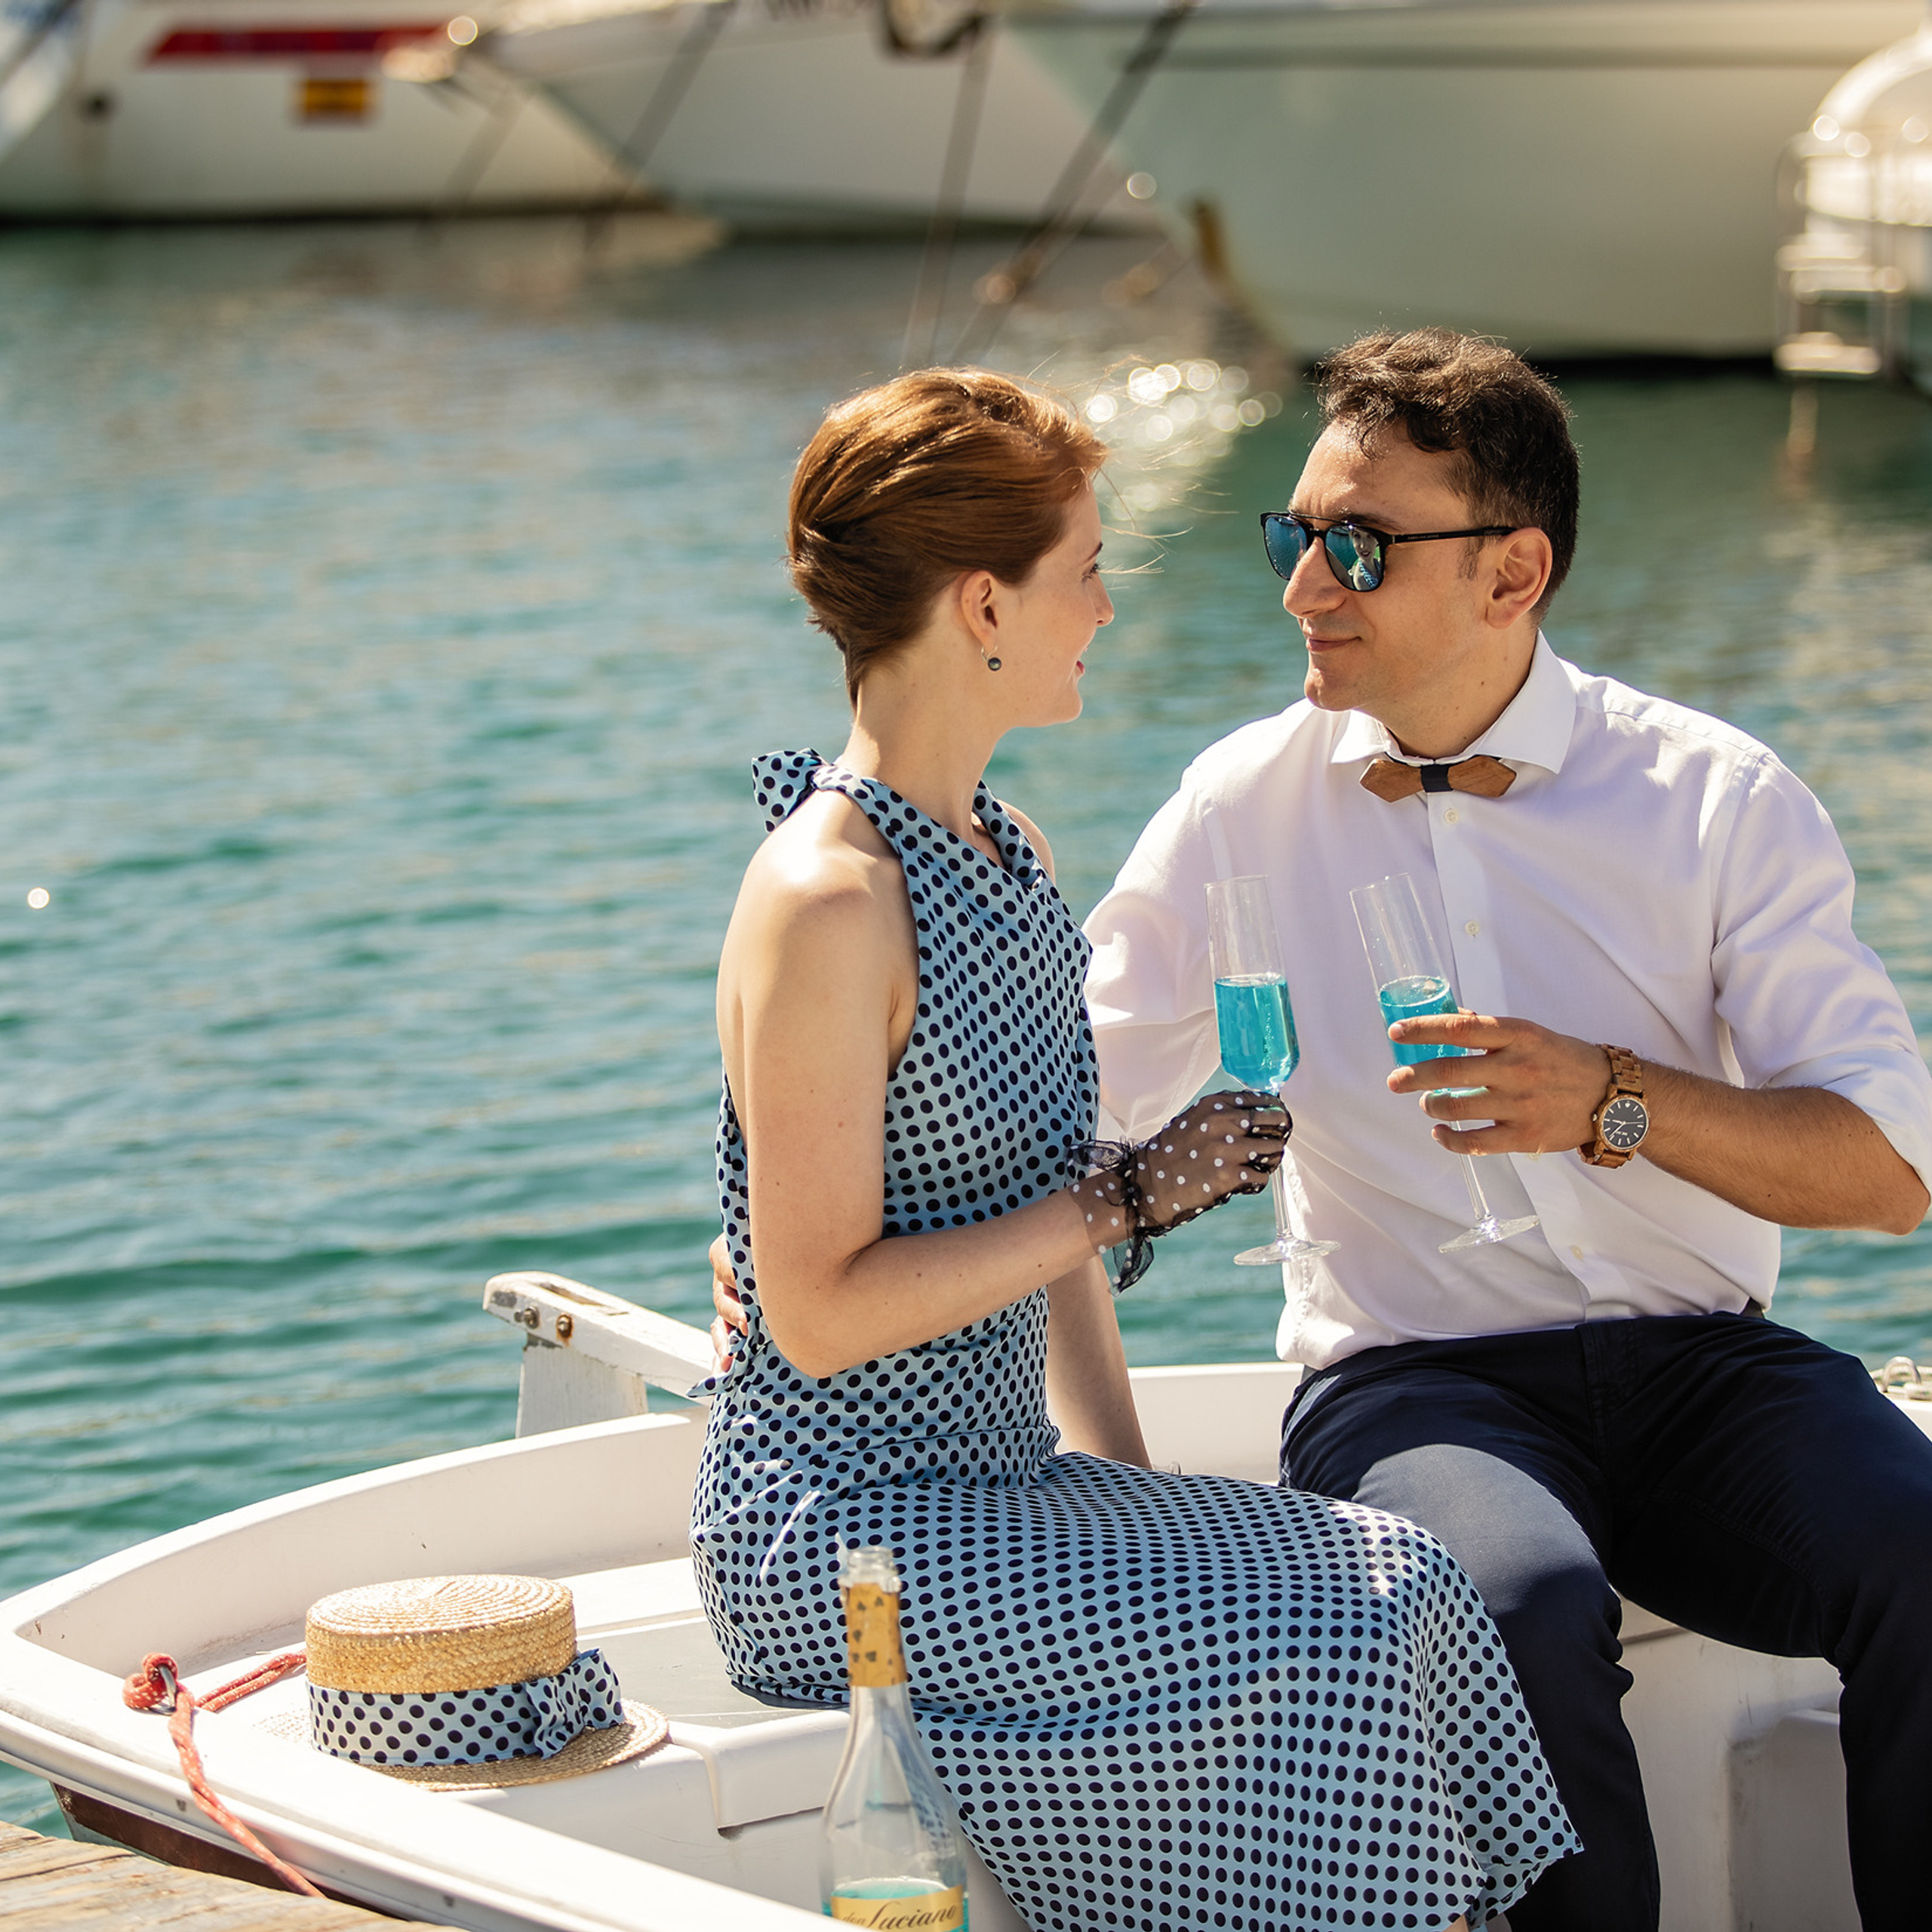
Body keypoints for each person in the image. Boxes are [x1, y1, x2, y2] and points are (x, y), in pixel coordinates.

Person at [695, 366, 1580, 1932]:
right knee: (1330, 1635)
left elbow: (1050, 1223)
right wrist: (1122, 1198)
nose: (1105, 606)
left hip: (1002, 1490)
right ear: (984, 604)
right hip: (833, 1532)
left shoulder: (1007, 851)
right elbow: (820, 1315)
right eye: (1086, 568)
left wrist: (1133, 1501)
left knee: (1410, 1578)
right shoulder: (826, 899)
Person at [1081, 328, 1932, 1931]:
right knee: (1514, 1604)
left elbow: (1884, 1172)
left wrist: (1613, 1099)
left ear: (1512, 572)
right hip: (1413, 1382)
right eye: (1292, 537)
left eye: (1357, 547)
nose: (1303, 588)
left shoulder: (1715, 796)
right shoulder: (1234, 806)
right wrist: (814, 1215)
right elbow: (1075, 1095)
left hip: (1702, 1366)